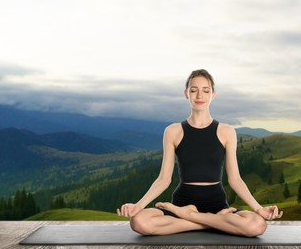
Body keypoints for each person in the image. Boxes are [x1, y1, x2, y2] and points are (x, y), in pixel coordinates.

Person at [117, 69, 282, 237]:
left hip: (217, 203)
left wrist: (259, 209)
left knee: (257, 225)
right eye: (194, 90)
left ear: (213, 94)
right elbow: (163, 179)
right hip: (182, 202)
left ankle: (191, 217)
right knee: (139, 222)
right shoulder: (173, 131)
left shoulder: (226, 131)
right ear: (186, 94)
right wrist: (138, 206)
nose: (199, 96)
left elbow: (235, 179)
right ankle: (211, 222)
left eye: (206, 90)